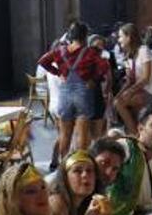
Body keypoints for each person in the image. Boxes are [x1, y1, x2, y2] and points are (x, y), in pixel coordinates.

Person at [37, 21, 108, 159]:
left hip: (64, 95)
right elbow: (104, 66)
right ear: (85, 36)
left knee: (64, 134)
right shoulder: (89, 52)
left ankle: (64, 165)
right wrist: (93, 79)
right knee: (82, 134)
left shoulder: (59, 51)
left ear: (70, 35)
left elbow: (42, 61)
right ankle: (80, 162)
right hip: (83, 94)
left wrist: (58, 73)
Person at [113, 23, 152, 134]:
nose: (119, 40)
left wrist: (129, 92)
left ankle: (133, 133)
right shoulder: (128, 55)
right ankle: (134, 131)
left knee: (119, 104)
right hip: (137, 90)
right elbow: (129, 80)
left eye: (120, 36)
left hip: (149, 90)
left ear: (129, 37)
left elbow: (145, 78)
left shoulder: (143, 50)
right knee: (117, 101)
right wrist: (120, 93)